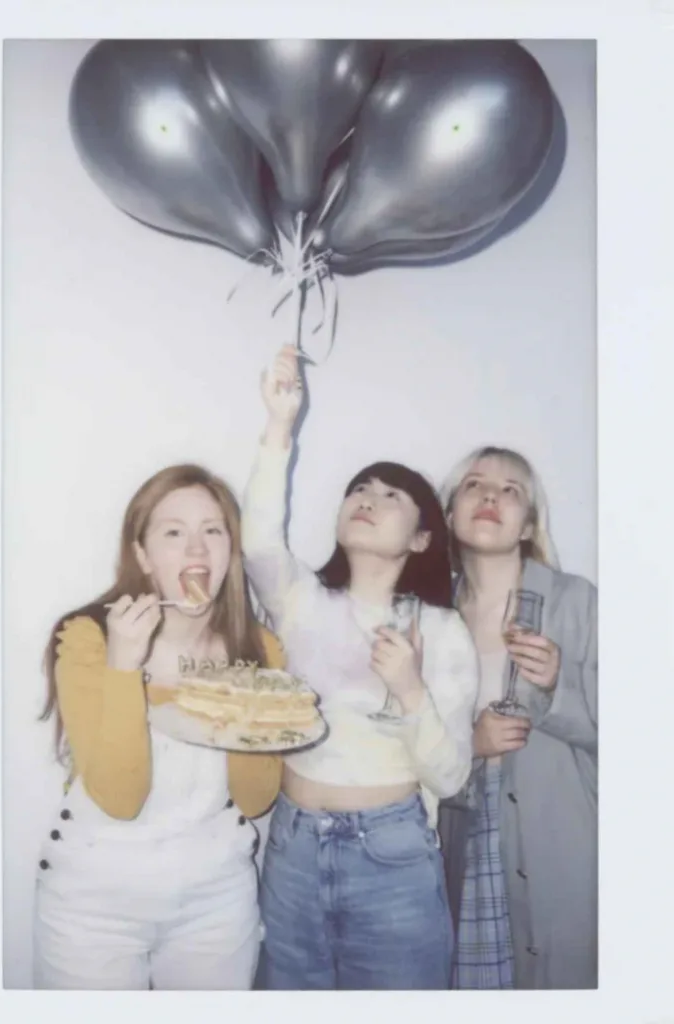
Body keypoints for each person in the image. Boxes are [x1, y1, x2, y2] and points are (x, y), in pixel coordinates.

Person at [241, 345, 480, 990]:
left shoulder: (441, 629)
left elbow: (451, 775)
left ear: (422, 538)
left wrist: (408, 691)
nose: (367, 499)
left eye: (391, 494)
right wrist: (278, 426)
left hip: (391, 856)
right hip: (291, 850)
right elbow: (260, 540)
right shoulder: (302, 600)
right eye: (359, 489)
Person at [33, 463, 284, 990]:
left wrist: (242, 687)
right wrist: (125, 665)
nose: (197, 550)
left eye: (213, 531)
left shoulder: (260, 650)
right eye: (174, 533)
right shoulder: (90, 637)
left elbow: (256, 797)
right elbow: (121, 797)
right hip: (92, 904)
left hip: (216, 901)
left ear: (231, 552)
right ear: (143, 556)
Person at [437, 445, 597, 990]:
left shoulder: (576, 601)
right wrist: (469, 746)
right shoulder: (431, 616)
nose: (490, 496)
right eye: (474, 485)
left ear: (528, 523)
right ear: (450, 514)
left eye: (511, 490)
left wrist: (558, 686)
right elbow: (408, 750)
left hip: (562, 851)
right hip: (467, 847)